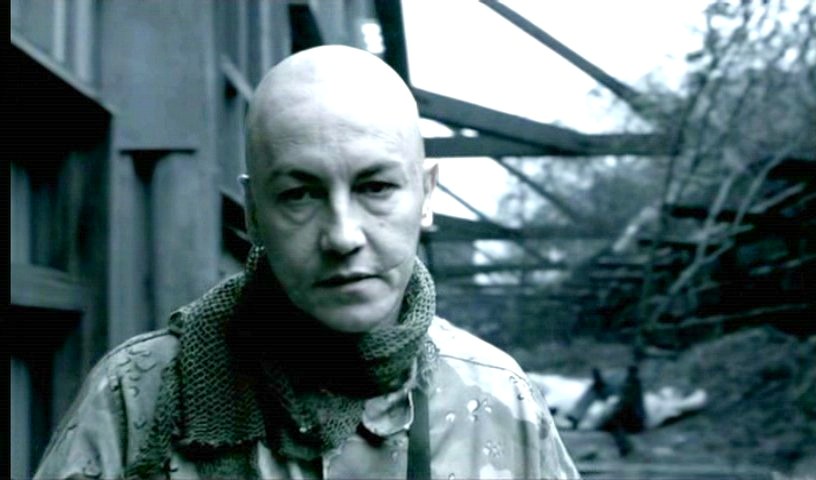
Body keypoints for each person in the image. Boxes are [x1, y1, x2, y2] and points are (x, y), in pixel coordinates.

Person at [35, 45, 581, 479]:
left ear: (427, 195)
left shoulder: (501, 398)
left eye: (375, 187)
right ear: (253, 213)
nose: (342, 236)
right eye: (299, 194)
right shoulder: (138, 398)